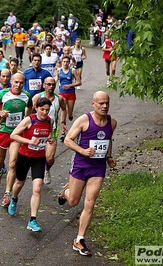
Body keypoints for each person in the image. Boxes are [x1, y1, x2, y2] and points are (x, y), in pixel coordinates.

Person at [57, 91, 117, 256]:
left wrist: (109, 156)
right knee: (74, 201)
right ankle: (66, 192)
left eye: (107, 103)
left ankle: (80, 239)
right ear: (93, 103)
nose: (104, 106)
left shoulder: (112, 122)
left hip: (98, 168)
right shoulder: (84, 120)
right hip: (81, 165)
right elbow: (68, 140)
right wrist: (83, 151)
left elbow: (108, 139)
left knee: (90, 203)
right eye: (101, 103)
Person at [7, 97, 55, 232]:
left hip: (39, 158)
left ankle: (33, 220)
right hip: (24, 156)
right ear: (36, 108)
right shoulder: (29, 120)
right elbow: (13, 135)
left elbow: (49, 134)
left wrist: (50, 140)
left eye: (47, 109)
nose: (45, 112)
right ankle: (14, 198)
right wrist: (28, 141)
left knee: (37, 188)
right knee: (19, 183)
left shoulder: (49, 121)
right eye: (42, 109)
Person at [0, 73, 32, 207]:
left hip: (16, 134)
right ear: (11, 82)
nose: (18, 85)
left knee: (13, 163)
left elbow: (30, 107)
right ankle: (0, 171)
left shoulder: (27, 96)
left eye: (21, 83)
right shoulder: (3, 94)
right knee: (0, 160)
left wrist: (27, 119)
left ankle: (7, 193)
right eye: (16, 82)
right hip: (3, 132)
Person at [32, 77, 67, 184]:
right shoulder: (38, 97)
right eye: (48, 84)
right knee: (36, 155)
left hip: (53, 130)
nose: (51, 86)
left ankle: (46, 170)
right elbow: (31, 111)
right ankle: (37, 172)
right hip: (37, 130)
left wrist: (62, 122)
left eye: (53, 84)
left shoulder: (59, 98)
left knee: (50, 158)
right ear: (44, 85)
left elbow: (64, 109)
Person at [55, 56, 81, 125]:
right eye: (64, 62)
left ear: (69, 63)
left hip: (71, 93)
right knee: (63, 110)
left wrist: (69, 85)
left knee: (69, 113)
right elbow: (56, 79)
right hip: (62, 93)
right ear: (62, 62)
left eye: (67, 62)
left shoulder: (72, 70)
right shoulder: (59, 70)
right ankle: (63, 126)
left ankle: (70, 115)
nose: (65, 63)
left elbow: (79, 82)